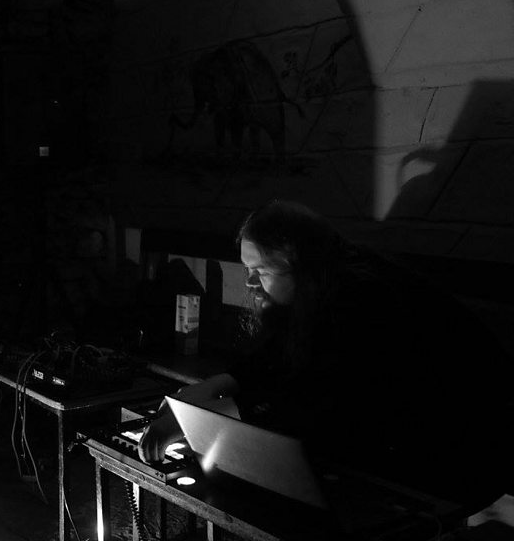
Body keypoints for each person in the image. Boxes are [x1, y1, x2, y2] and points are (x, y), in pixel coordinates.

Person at [137, 199, 512, 513]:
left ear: (301, 264)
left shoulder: (363, 300)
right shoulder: (326, 283)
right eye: (248, 269)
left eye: (260, 271)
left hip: (459, 458)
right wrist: (217, 385)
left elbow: (315, 397)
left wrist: (197, 420)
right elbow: (278, 355)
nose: (250, 283)